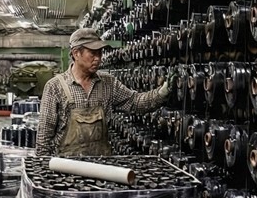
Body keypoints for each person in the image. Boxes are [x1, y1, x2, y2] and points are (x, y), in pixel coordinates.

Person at [35, 27, 170, 157]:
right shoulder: (55, 87)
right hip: (65, 169)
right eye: (93, 53)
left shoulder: (108, 83)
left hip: (100, 167)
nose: (98, 58)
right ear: (76, 53)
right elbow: (43, 139)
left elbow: (135, 103)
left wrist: (163, 92)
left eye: (100, 53)